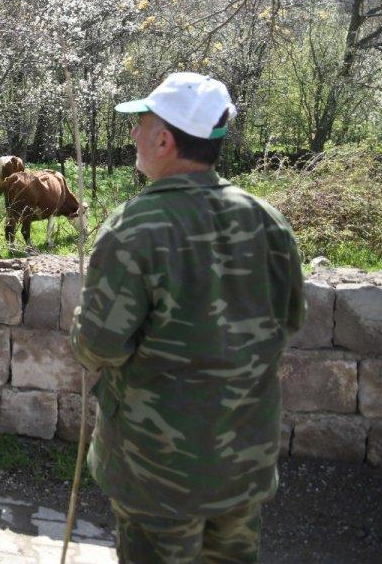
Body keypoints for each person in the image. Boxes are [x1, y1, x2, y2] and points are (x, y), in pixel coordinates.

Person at [69, 72, 306, 564]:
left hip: (157, 474)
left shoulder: (134, 228)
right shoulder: (268, 222)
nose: (133, 134)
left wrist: (82, 322)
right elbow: (287, 324)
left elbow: (98, 347)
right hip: (242, 465)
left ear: (164, 139)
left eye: (141, 123)